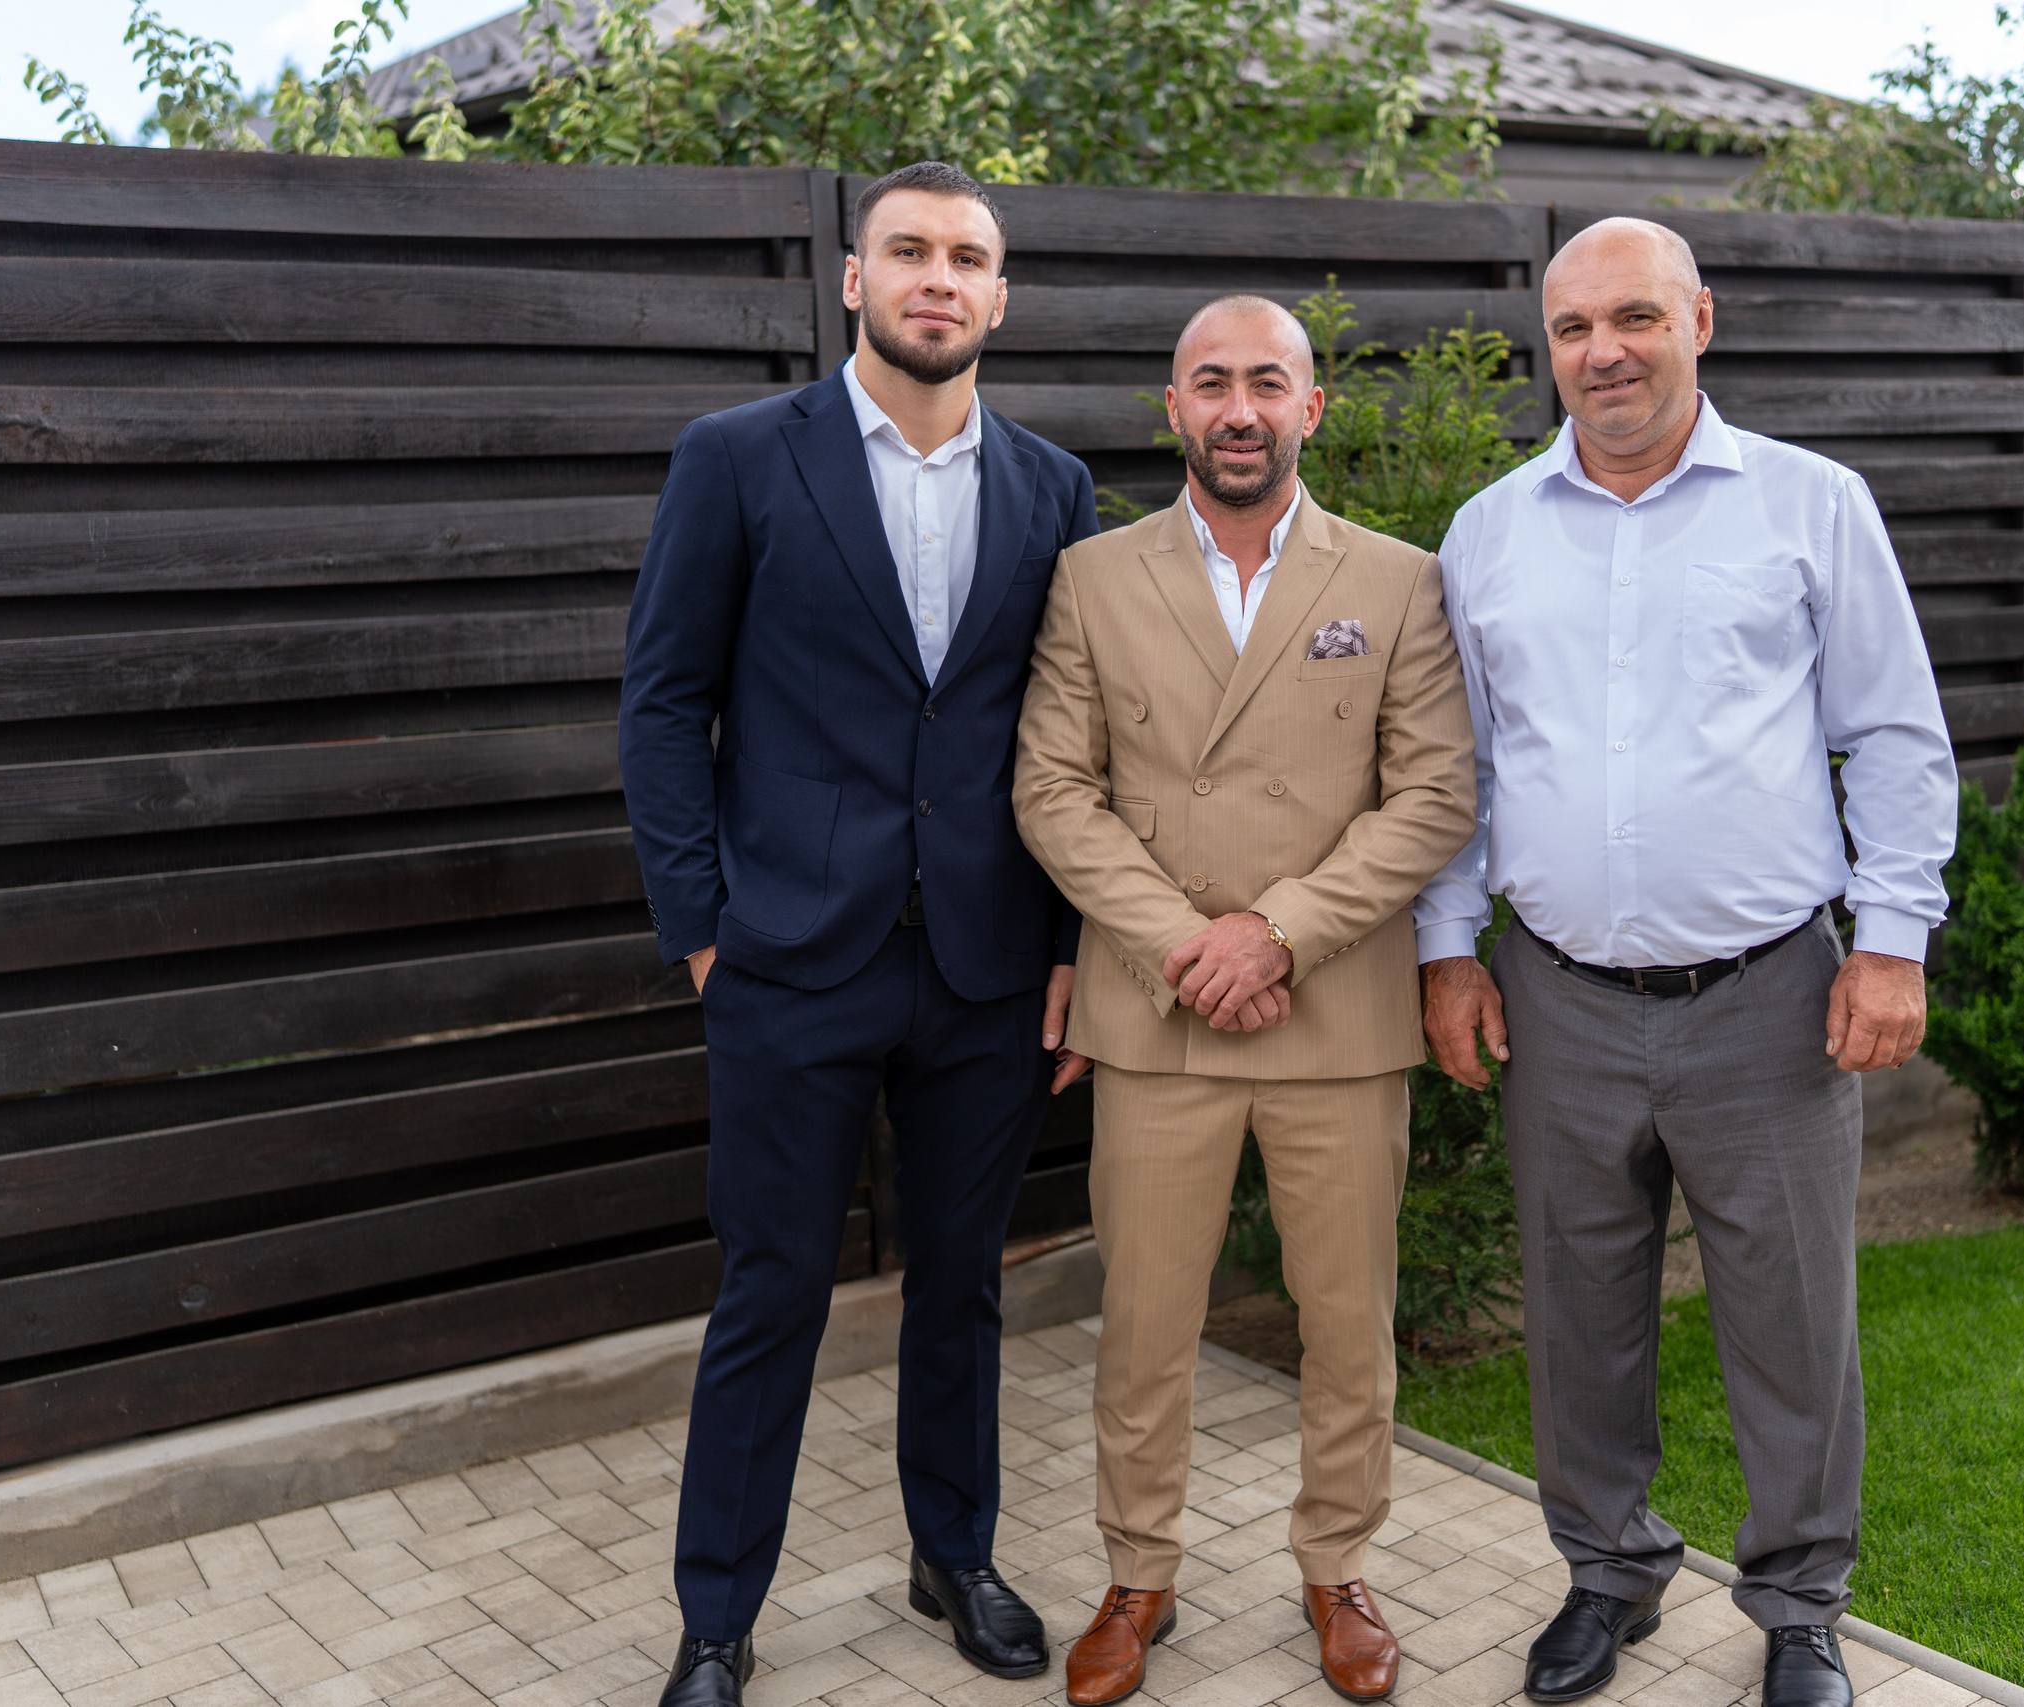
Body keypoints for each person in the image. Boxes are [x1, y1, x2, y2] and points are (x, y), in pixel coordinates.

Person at [1413, 218, 1957, 1707]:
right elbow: (1459, 766)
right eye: (1576, 327)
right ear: (1550, 345)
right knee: (1577, 1317)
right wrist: (1449, 951)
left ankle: (1798, 1610)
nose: (1605, 353)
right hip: (1560, 998)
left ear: (1699, 321)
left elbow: (1894, 733)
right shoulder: (1490, 532)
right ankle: (1607, 1572)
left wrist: (1894, 939)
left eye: (1636, 317)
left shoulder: (1809, 506)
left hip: (1768, 1000)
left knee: (1791, 1324)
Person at [618, 161, 1099, 1707]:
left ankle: (951, 1555)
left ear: (1001, 295)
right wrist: (704, 929)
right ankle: (715, 1618)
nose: (938, 279)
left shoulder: (1052, 488)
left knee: (962, 1282)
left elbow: (1073, 741)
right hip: (786, 961)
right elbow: (662, 704)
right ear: (853, 278)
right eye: (910, 252)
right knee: (771, 1292)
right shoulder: (740, 457)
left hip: (986, 966)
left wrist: (1077, 948)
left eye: (968, 257)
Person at [1014, 295, 1477, 1707]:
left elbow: (1436, 795)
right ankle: (1137, 1575)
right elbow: (1052, 790)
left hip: (1331, 1010)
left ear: (1310, 408)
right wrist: (1184, 946)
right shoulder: (1092, 577)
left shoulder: (1396, 580)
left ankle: (1337, 1567)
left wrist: (1273, 933)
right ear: (1173, 410)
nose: (1238, 408)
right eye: (1209, 383)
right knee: (1147, 1323)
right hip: (1159, 1013)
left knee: (1349, 1323)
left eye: (1266, 383)